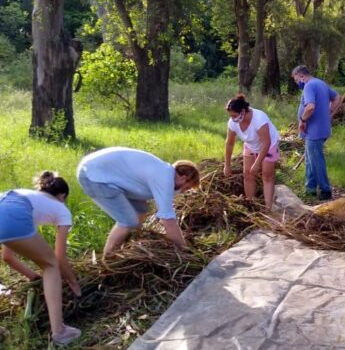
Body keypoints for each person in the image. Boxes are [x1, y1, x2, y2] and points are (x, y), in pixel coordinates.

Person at [0, 172, 81, 345]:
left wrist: (33, 277)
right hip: (13, 215)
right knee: (50, 264)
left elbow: (7, 257)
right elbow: (59, 257)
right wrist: (73, 281)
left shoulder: (28, 197)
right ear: (62, 196)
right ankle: (60, 332)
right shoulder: (61, 209)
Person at [77, 147, 200, 256]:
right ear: (184, 178)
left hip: (103, 172)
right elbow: (168, 219)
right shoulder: (165, 177)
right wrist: (184, 250)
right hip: (94, 176)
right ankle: (107, 260)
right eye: (187, 187)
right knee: (127, 221)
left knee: (141, 210)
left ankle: (132, 244)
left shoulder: (164, 171)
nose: (184, 191)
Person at [292, 65, 342, 201]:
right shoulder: (321, 83)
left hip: (314, 131)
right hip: (321, 129)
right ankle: (310, 189)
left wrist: (302, 119)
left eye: (297, 80)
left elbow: (310, 106)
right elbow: (337, 97)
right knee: (310, 160)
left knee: (316, 161)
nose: (297, 83)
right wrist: (329, 112)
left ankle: (325, 190)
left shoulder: (309, 86)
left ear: (302, 76)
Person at [223, 94, 281, 210]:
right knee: (248, 175)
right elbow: (229, 144)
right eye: (230, 116)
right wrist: (227, 165)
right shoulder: (233, 122)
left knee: (267, 176)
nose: (233, 118)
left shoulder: (259, 119)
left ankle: (268, 208)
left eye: (234, 115)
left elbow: (266, 143)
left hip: (268, 145)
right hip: (251, 144)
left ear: (243, 111)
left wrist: (257, 163)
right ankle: (251, 204)